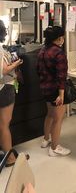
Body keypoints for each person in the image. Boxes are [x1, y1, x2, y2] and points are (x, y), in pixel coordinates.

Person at [37, 26, 71, 157]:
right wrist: (61, 95)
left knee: (50, 115)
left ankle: (46, 140)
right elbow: (61, 76)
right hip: (56, 90)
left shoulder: (42, 51)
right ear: (60, 38)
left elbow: (38, 71)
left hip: (45, 88)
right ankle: (55, 148)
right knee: (58, 119)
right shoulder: (59, 53)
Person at [0, 20, 24, 167]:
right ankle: (10, 159)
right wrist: (16, 64)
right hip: (5, 89)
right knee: (4, 125)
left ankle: (4, 151)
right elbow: (3, 71)